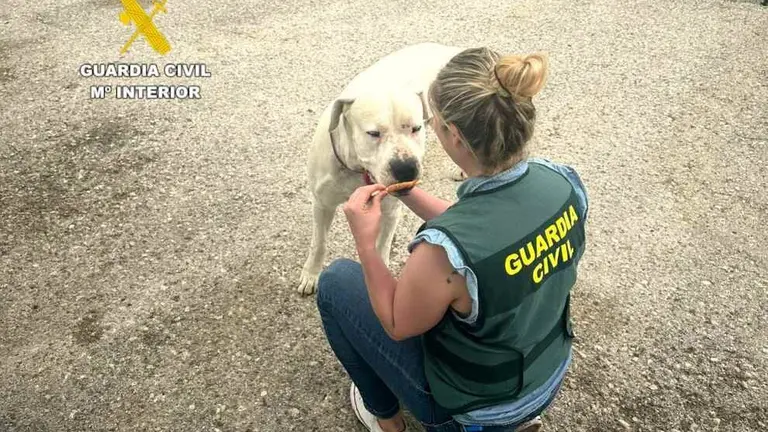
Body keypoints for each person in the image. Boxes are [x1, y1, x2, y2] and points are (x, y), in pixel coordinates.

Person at [315, 46, 589, 432]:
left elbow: (397, 324)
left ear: (454, 136)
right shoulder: (564, 182)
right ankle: (522, 417)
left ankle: (386, 417)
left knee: (336, 283)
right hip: (546, 376)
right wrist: (406, 191)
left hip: (474, 410)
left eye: (430, 125)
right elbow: (492, 230)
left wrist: (365, 243)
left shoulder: (441, 252)